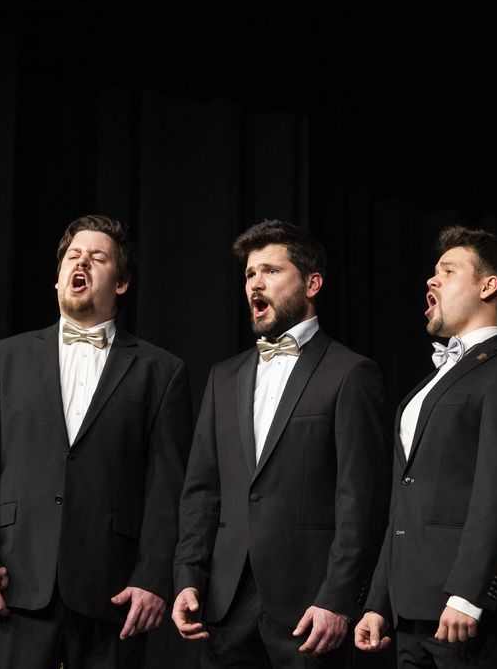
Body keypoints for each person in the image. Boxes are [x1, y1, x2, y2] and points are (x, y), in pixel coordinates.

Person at [0, 215, 193, 668]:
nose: (81, 263)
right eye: (72, 256)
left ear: (121, 283)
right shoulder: (3, 359)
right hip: (13, 585)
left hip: (112, 592)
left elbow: (167, 486)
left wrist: (152, 578)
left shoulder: (161, 371)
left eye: (97, 258)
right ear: (58, 275)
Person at [171, 219, 390, 668]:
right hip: (225, 603)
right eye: (250, 274)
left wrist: (337, 598)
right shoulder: (223, 377)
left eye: (271, 271)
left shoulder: (350, 373)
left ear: (312, 284)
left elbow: (360, 500)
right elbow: (202, 491)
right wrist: (188, 577)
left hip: (308, 606)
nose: (255, 283)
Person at [355, 226, 497, 667]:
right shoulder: (433, 380)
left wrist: (469, 593)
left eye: (449, 271)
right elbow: (404, 499)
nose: (432, 280)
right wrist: (378, 601)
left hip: (464, 610)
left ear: (488, 286)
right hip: (409, 607)